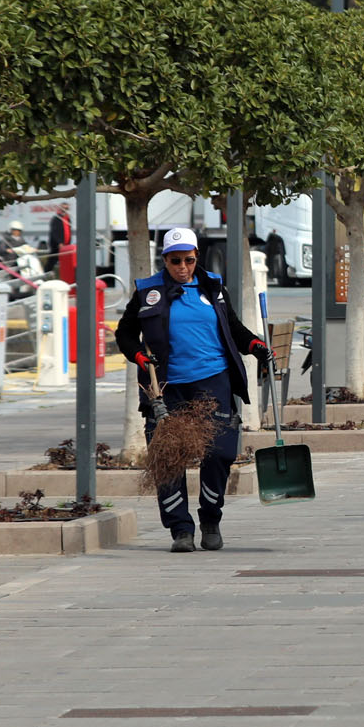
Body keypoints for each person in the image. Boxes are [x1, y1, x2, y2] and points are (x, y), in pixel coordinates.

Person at [114, 226, 271, 553]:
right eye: (175, 261)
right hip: (167, 388)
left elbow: (234, 328)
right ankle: (180, 530)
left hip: (213, 381)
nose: (182, 267)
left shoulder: (213, 287)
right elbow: (125, 334)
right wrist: (140, 357)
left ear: (196, 256)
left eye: (188, 259)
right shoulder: (148, 292)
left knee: (221, 452)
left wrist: (254, 344)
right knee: (168, 457)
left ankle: (211, 518)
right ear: (165, 260)